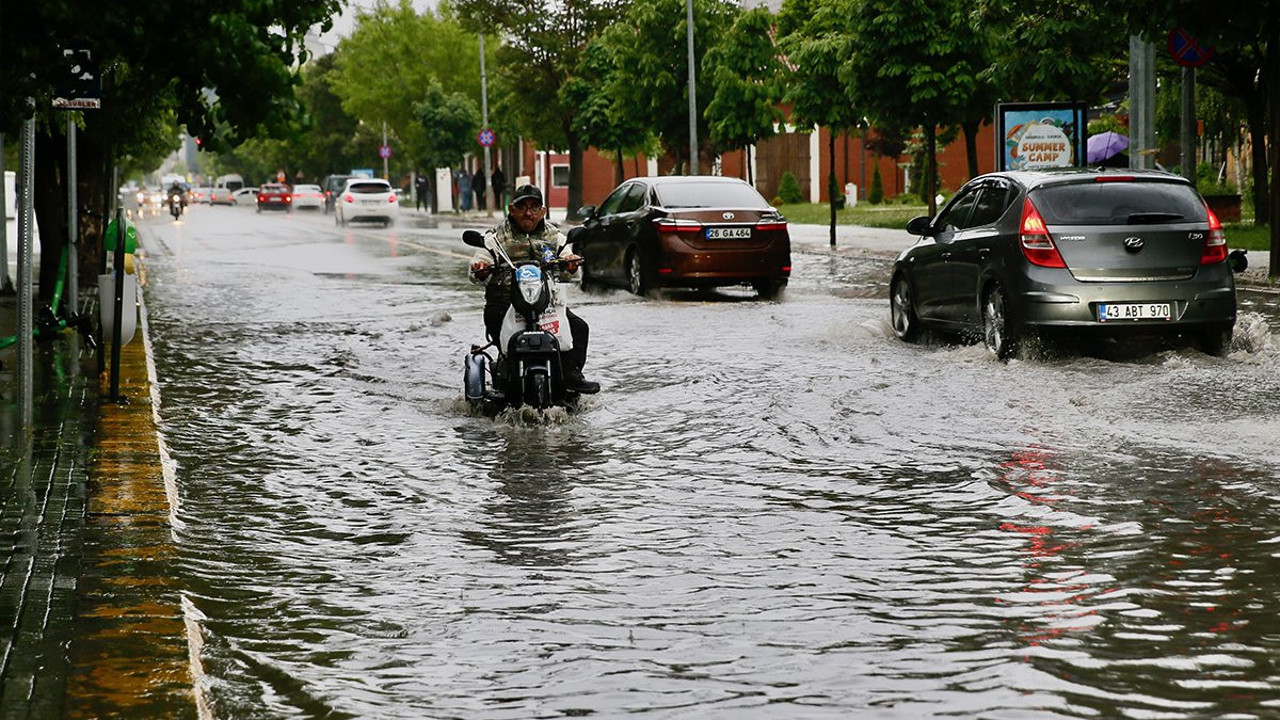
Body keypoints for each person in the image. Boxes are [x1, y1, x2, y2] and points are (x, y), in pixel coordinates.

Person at [468, 184, 599, 394]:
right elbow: (478, 267)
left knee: (579, 328)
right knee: (493, 317)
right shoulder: (495, 238)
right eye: (522, 207)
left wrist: (571, 263)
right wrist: (481, 269)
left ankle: (570, 375)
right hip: (505, 301)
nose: (528, 213)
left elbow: (568, 265)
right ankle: (508, 371)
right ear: (512, 209)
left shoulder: (555, 236)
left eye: (534, 207)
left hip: (545, 303)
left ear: (543, 211)